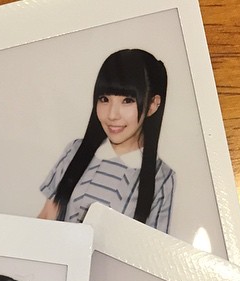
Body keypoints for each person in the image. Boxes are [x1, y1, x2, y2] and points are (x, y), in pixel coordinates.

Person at [38, 49, 174, 232]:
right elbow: (45, 218)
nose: (112, 115)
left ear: (152, 105)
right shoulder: (75, 151)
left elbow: (153, 245)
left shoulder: (162, 177)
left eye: (127, 100)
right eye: (104, 99)